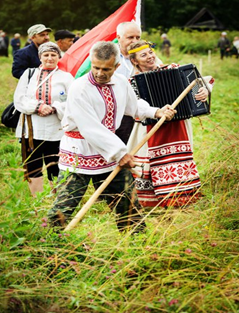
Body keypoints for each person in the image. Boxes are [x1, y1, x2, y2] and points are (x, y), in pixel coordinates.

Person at [47, 41, 176, 231]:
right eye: (96, 67)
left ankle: (137, 243)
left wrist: (155, 112)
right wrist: (120, 153)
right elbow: (89, 128)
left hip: (109, 154)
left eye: (106, 69)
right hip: (79, 153)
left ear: (117, 66)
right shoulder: (79, 88)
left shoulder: (121, 82)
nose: (100, 73)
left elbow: (133, 106)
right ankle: (48, 244)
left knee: (128, 204)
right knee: (64, 206)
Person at [126, 40, 215, 209]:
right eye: (143, 55)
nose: (150, 57)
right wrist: (156, 111)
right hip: (149, 128)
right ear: (134, 60)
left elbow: (197, 83)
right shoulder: (131, 82)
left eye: (150, 52)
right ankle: (152, 204)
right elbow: (134, 106)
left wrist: (203, 91)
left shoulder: (172, 69)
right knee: (148, 163)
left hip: (177, 127)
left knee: (178, 161)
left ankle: (181, 200)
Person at [14, 42, 74, 197]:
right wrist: (38, 106)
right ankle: (37, 201)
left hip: (56, 130)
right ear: (40, 57)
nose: (49, 58)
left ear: (59, 57)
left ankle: (57, 200)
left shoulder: (66, 78)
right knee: (33, 165)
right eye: (46, 55)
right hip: (32, 130)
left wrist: (55, 108)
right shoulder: (29, 74)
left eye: (53, 55)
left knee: (55, 165)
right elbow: (19, 99)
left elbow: (74, 102)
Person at [115, 22, 163, 144]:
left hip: (148, 113)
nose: (135, 41)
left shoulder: (149, 56)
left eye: (138, 37)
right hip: (120, 114)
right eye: (130, 37)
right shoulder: (111, 57)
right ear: (118, 37)